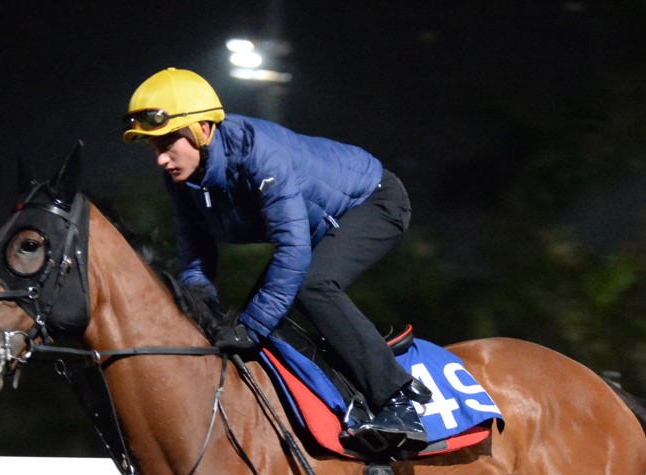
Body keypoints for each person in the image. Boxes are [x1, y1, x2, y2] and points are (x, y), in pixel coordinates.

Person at [122, 68, 430, 451]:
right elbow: (195, 258)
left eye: (167, 144)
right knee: (252, 320)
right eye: (154, 149)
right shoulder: (181, 182)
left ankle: (398, 400)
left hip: (373, 201)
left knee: (307, 287)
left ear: (202, 129)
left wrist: (252, 326)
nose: (161, 160)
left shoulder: (258, 152)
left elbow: (293, 250)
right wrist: (205, 316)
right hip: (316, 225)